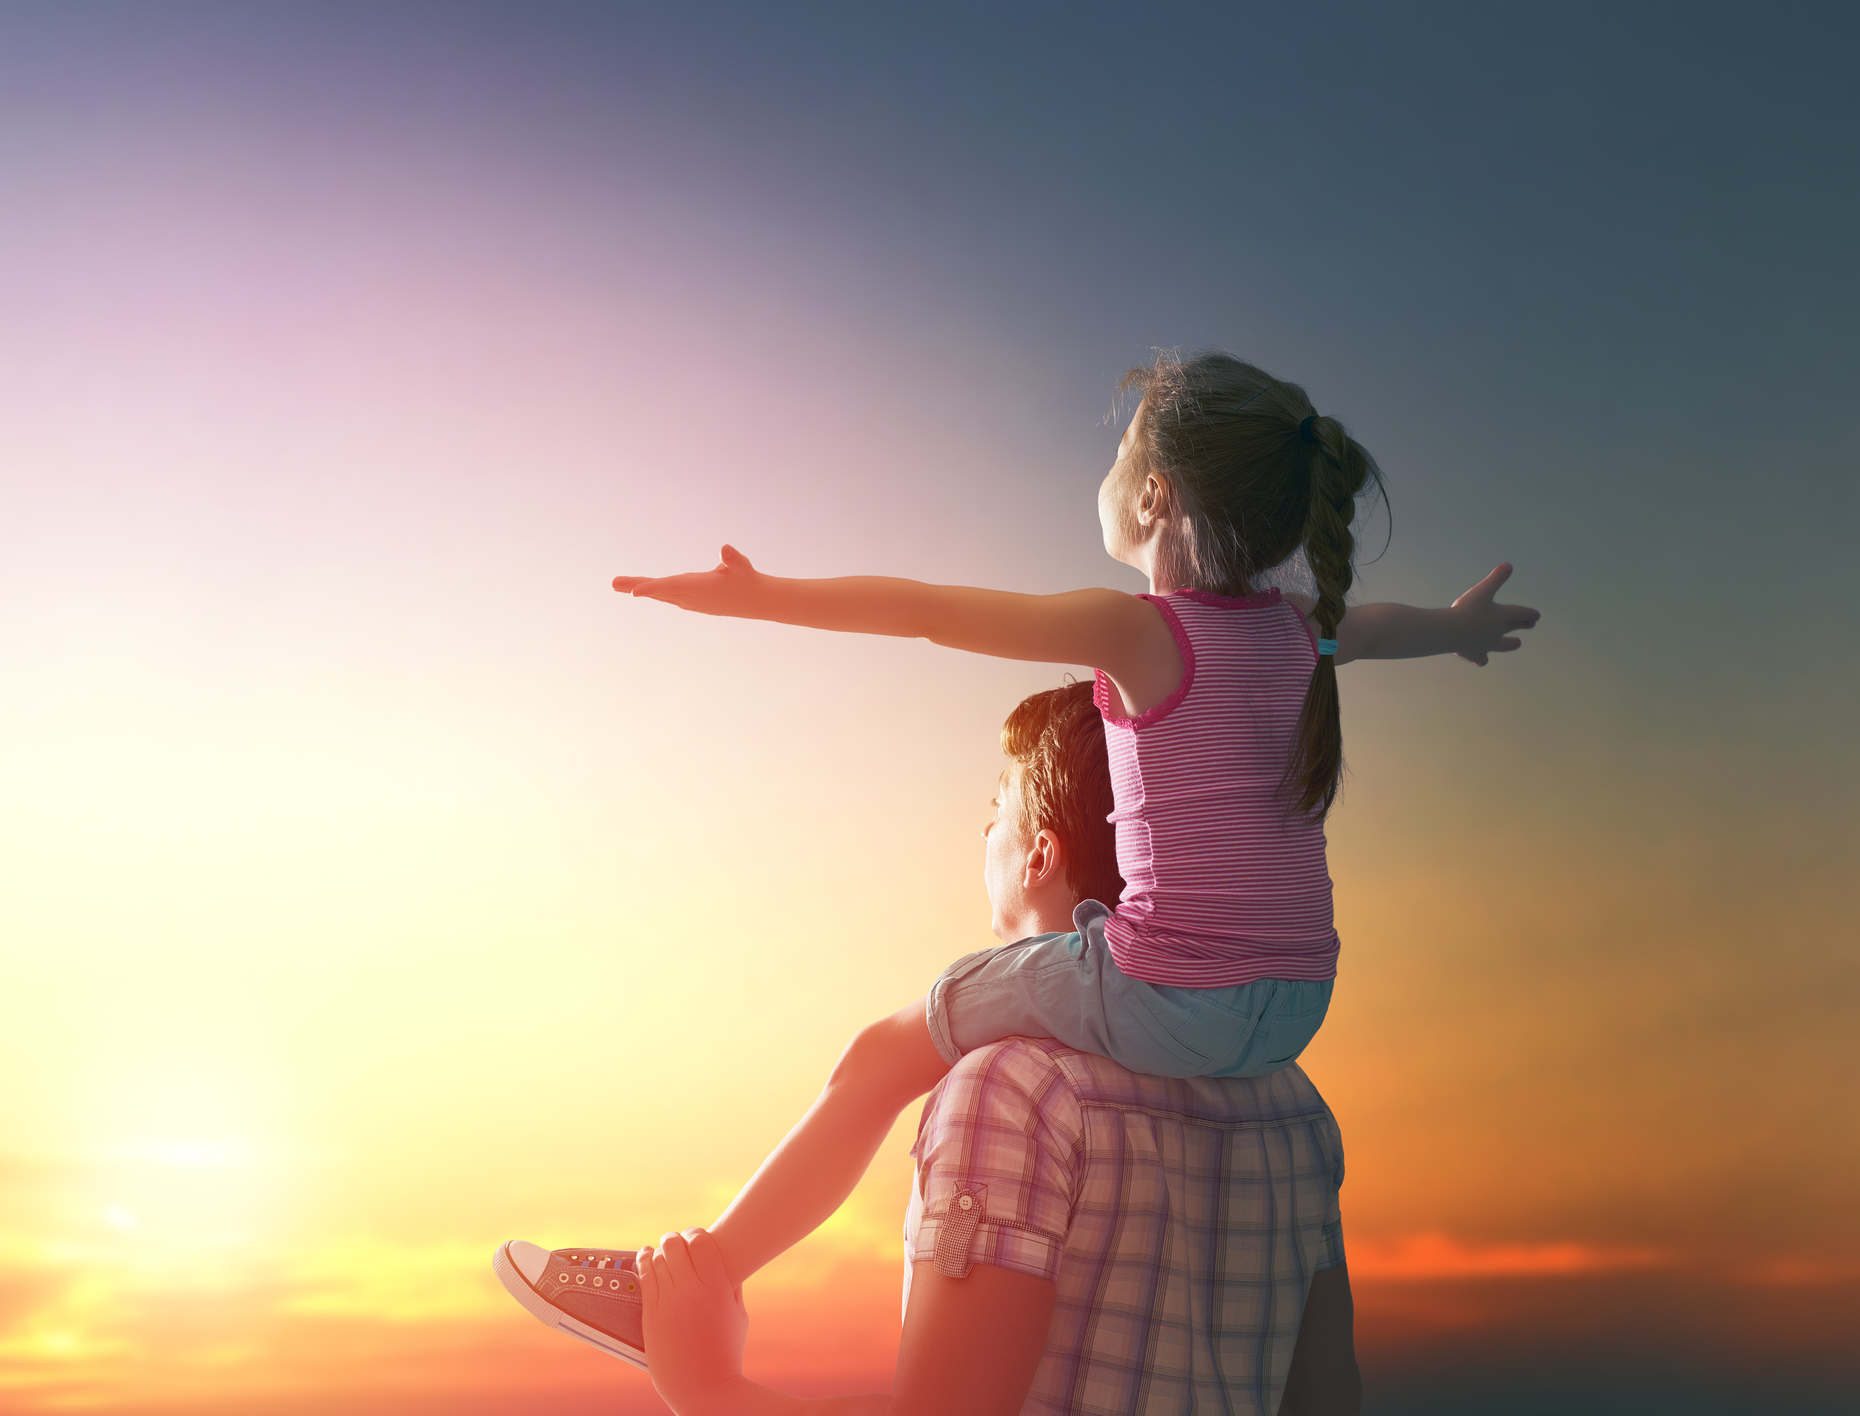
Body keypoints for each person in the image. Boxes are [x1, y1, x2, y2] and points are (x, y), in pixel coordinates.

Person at [498, 351, 1536, 1361]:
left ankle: (698, 1276)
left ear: (1154, 494)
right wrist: (1454, 628)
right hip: (1300, 998)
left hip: (1172, 994)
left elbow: (928, 614)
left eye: (1119, 453)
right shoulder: (1298, 629)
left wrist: (764, 594)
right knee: (1079, 959)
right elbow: (1382, 628)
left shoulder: (1137, 632)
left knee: (879, 1056)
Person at [622, 681, 1357, 1414]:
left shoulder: (1012, 1089)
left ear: (1038, 857)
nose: (982, 835)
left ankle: (700, 1270)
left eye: (995, 812)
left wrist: (708, 1387)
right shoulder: (1291, 1101)